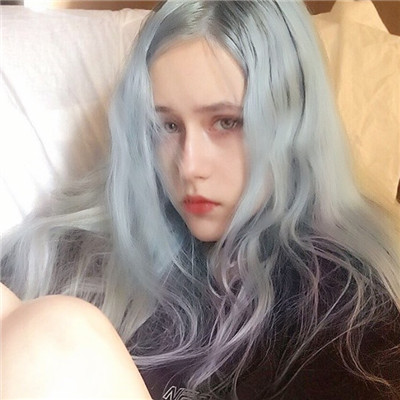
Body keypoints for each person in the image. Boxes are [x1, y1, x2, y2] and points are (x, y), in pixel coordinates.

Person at [1, 1, 400, 399]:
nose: (190, 166)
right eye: (167, 126)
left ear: (292, 124)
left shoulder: (343, 306)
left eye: (227, 122)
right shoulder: (80, 252)